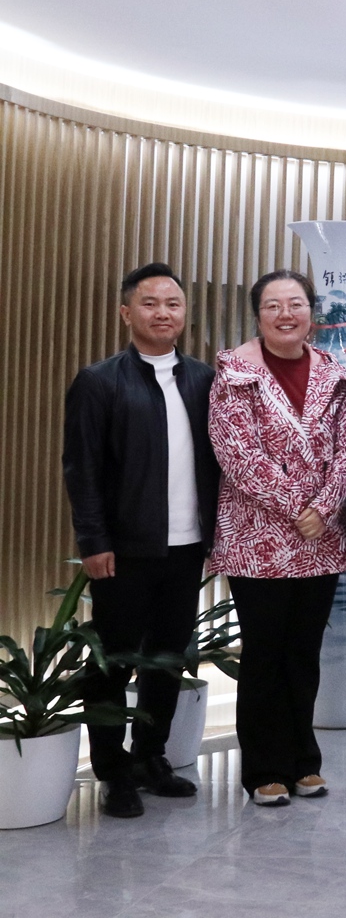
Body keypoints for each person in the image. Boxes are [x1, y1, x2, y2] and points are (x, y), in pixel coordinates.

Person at [63, 263, 220, 819]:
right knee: (113, 663)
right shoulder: (99, 381)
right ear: (126, 312)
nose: (163, 313)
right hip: (124, 549)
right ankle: (112, 772)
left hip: (187, 546)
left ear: (184, 314)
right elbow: (82, 469)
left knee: (166, 659)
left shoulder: (203, 380)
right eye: (150, 303)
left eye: (173, 304)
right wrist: (93, 540)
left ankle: (151, 757)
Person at [208, 269, 346, 807]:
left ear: (311, 313)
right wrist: (299, 508)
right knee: (265, 655)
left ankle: (303, 762)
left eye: (296, 304)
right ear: (258, 316)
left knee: (303, 654)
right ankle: (263, 769)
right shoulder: (234, 374)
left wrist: (324, 507)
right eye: (273, 305)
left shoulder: (334, 373)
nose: (286, 314)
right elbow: (237, 455)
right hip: (258, 541)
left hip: (321, 541)